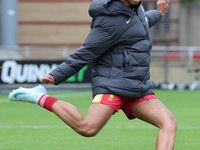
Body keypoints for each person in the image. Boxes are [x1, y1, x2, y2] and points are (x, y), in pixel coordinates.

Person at [9, 0, 177, 149]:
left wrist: (159, 13)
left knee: (168, 123)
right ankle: (39, 97)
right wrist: (57, 74)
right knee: (87, 128)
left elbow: (144, 21)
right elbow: (87, 52)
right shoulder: (109, 20)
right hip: (113, 84)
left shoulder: (136, 11)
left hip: (137, 86)